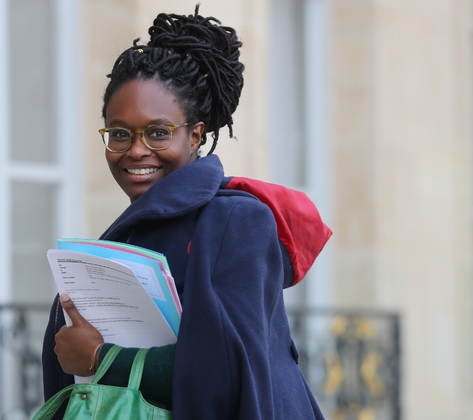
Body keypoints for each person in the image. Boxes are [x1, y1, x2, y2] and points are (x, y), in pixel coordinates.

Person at [42, 6, 331, 419]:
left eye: (158, 132)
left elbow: (233, 370)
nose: (136, 150)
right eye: (119, 133)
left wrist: (103, 359)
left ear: (195, 135)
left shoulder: (236, 221)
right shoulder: (126, 235)